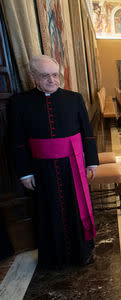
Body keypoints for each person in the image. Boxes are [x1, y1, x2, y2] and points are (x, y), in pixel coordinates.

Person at [10, 55, 98, 269]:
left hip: (72, 166)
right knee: (47, 211)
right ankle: (53, 259)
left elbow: (87, 133)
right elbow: (17, 142)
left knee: (76, 208)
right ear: (33, 77)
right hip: (41, 169)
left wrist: (92, 162)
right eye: (45, 76)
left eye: (54, 75)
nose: (52, 80)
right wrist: (25, 173)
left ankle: (82, 253)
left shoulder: (74, 98)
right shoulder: (19, 102)